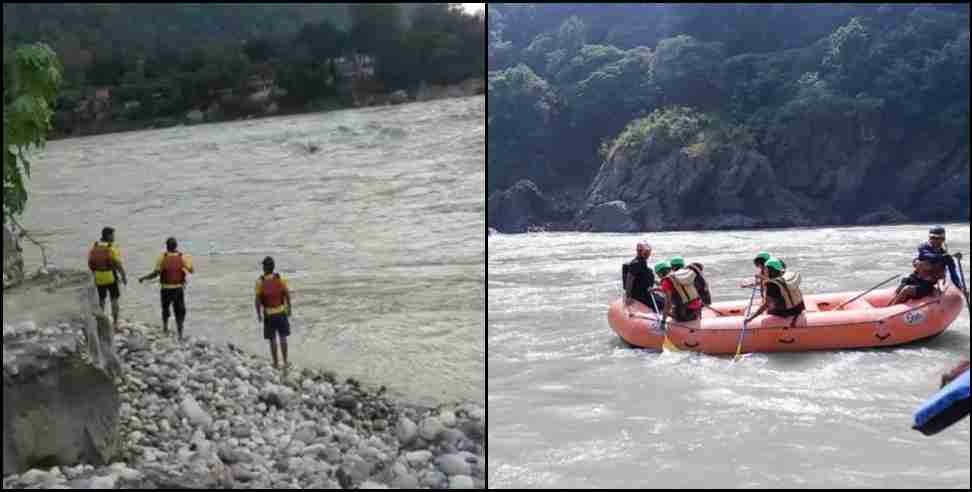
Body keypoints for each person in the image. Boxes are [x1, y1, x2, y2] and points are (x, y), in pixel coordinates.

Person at [138, 237, 195, 340]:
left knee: (165, 309)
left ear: (167, 247)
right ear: (176, 246)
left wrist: (144, 278)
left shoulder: (162, 258)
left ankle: (165, 328)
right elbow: (191, 270)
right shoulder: (182, 257)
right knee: (179, 311)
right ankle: (180, 334)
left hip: (165, 289)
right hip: (178, 289)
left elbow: (155, 274)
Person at [255, 256, 293, 369]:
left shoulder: (259, 282)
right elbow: (287, 295)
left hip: (269, 314)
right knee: (283, 337)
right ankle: (285, 362)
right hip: (281, 313)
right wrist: (289, 308)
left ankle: (276, 363)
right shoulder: (281, 279)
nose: (262, 267)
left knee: (272, 339)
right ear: (273, 267)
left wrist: (259, 314)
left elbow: (257, 300)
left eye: (263, 266)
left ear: (265, 268)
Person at [87, 227, 128, 333]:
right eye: (113, 235)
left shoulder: (95, 247)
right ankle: (115, 324)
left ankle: (100, 324)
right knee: (114, 299)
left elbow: (91, 263)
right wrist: (123, 276)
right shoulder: (111, 248)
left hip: (98, 277)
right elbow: (118, 264)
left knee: (101, 300)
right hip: (110, 276)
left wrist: (94, 276)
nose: (114, 237)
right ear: (108, 236)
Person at [746, 258, 805, 326]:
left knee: (768, 309)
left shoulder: (771, 285)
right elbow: (777, 281)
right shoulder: (786, 277)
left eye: (765, 269)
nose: (764, 271)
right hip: (798, 308)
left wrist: (751, 318)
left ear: (769, 270)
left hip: (786, 312)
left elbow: (766, 305)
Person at [623, 241, 665, 312]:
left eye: (649, 251)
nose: (648, 254)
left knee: (663, 300)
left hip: (646, 291)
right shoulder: (636, 264)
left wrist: (655, 282)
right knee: (662, 303)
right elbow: (629, 280)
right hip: (640, 295)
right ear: (640, 251)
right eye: (647, 252)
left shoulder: (642, 261)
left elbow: (643, 276)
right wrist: (628, 296)